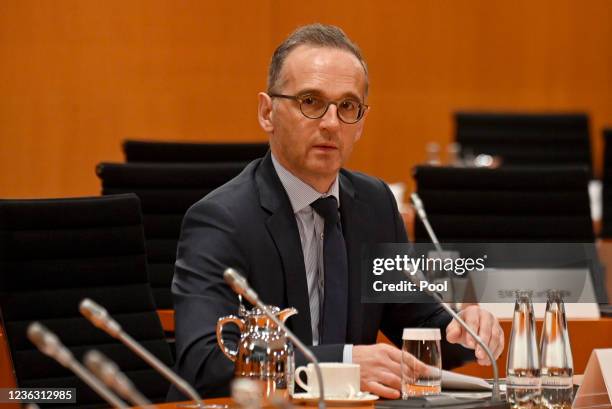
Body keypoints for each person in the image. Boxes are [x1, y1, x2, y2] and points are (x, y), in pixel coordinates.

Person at [168, 23, 504, 400]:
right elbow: (206, 363)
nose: (331, 123)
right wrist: (342, 364)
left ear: (360, 123)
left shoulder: (373, 203)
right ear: (267, 113)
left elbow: (417, 320)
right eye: (310, 102)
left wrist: (466, 329)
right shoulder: (220, 221)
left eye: (347, 107)